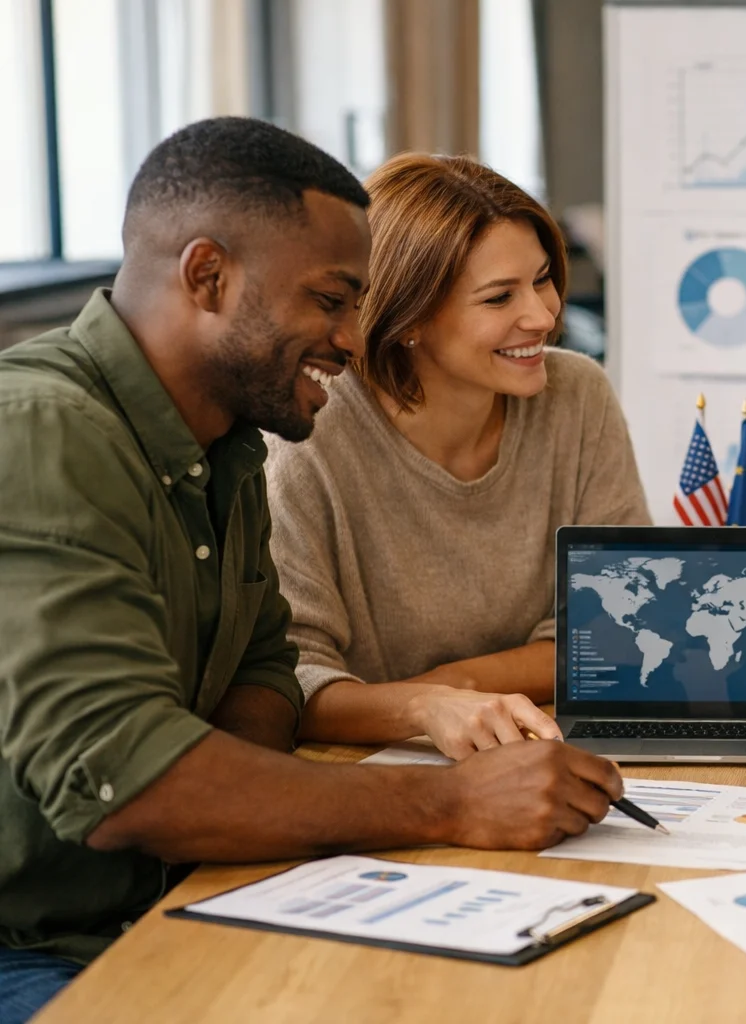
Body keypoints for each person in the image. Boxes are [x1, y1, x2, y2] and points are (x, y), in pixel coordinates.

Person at [0, 118, 622, 1024]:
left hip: (194, 892)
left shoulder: (230, 444)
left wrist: (241, 795)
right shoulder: (42, 430)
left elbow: (266, 681)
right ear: (207, 278)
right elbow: (124, 783)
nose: (353, 335)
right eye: (332, 300)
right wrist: (448, 802)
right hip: (39, 942)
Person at [263, 154, 649, 760]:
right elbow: (289, 682)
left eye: (543, 279)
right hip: (362, 773)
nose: (544, 316)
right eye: (500, 298)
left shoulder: (577, 394)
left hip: (538, 747)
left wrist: (461, 688)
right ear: (409, 316)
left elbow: (614, 632)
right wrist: (424, 707)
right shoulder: (307, 429)